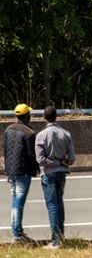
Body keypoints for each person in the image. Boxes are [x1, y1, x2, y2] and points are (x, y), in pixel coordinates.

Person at [35, 106, 76, 250]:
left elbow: (40, 159)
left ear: (44, 118)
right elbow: (72, 158)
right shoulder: (65, 133)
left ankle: (55, 240)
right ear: (56, 117)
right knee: (59, 203)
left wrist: (55, 162)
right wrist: (62, 162)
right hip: (62, 172)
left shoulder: (41, 135)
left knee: (52, 205)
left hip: (48, 173)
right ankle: (61, 235)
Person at [4, 104, 39, 244]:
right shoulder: (29, 132)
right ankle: (17, 233)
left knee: (14, 199)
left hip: (11, 170)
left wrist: (7, 168)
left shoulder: (8, 130)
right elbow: (31, 154)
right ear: (26, 116)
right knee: (19, 201)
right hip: (23, 171)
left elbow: (5, 150)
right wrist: (36, 168)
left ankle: (16, 229)